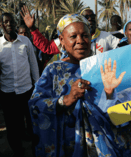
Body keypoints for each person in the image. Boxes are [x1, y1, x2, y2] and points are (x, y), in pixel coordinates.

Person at [28, 13, 121, 157]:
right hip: (67, 146)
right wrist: (66, 100)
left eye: (85, 35)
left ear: (91, 38)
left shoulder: (103, 67)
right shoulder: (54, 70)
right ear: (62, 40)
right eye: (73, 36)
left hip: (102, 146)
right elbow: (35, 104)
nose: (80, 41)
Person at [0, 12, 39, 156]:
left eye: (11, 21)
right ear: (1, 25)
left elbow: (33, 64)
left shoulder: (25, 42)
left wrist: (37, 85)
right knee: (12, 126)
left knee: (32, 123)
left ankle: (36, 148)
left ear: (16, 24)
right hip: (7, 93)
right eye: (5, 22)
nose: (9, 24)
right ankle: (18, 150)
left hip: (27, 91)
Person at [20, 6, 120, 57]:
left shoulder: (105, 36)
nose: (90, 19)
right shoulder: (69, 38)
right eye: (86, 17)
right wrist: (33, 29)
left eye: (92, 17)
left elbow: (123, 47)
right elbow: (47, 47)